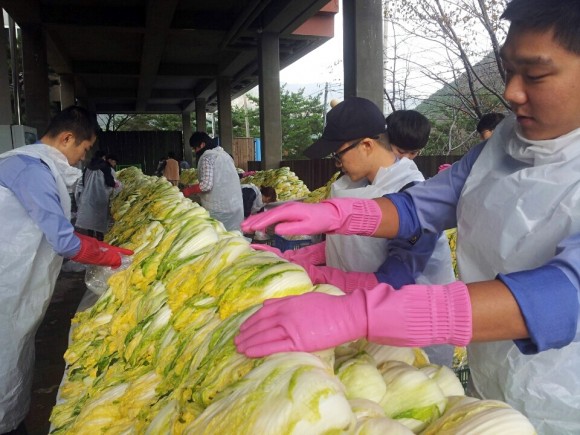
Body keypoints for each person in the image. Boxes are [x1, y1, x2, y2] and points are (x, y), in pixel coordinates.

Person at [237, 1, 580, 432]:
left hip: (563, 399)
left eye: (535, 74)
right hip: (492, 377)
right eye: (508, 69)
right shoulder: (505, 143)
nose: (511, 92)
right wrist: (334, 214)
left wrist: (358, 313)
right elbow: (421, 206)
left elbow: (559, 296)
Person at [254, 99, 456, 365]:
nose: (338, 164)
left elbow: (393, 282)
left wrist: (316, 275)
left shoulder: (412, 195)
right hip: (365, 328)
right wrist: (295, 259)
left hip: (412, 340)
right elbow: (353, 245)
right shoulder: (358, 185)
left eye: (339, 155)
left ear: (367, 145)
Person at [0, 106, 133, 434]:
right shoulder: (33, 171)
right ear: (67, 138)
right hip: (7, 283)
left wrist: (109, 251)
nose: (81, 158)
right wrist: (114, 257)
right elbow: (64, 241)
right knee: (5, 361)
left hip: (12, 280)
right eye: (84, 149)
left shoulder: (25, 162)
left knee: (11, 358)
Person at [182, 132, 244, 232]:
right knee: (234, 235)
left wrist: (189, 191)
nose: (195, 151)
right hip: (235, 205)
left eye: (195, 148)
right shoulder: (225, 155)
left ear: (202, 144)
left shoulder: (207, 157)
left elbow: (206, 185)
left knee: (220, 235)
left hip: (219, 207)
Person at [75, 150, 117, 241]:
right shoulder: (105, 167)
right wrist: (116, 184)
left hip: (88, 196)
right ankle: (99, 238)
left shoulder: (88, 167)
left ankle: (90, 238)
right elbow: (109, 182)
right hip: (100, 197)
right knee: (99, 219)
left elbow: (83, 181)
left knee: (90, 219)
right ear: (103, 157)